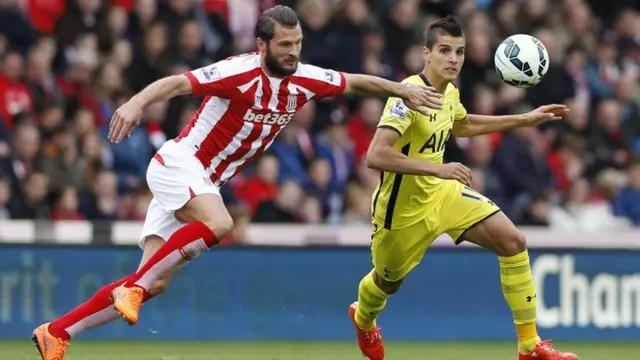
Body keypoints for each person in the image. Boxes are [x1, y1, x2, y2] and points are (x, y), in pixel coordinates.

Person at [30, 5, 444, 360]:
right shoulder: (238, 71)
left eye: (297, 43)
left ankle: (57, 333)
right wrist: (136, 102)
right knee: (219, 224)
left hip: (201, 182)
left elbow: (355, 81)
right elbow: (178, 83)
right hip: (180, 164)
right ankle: (133, 288)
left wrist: (401, 91)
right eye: (284, 45)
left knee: (154, 283)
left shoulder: (305, 79)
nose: (293, 52)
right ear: (262, 45)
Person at [348, 16, 577, 360]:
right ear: (426, 53)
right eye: (444, 51)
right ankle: (363, 317)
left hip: (443, 194)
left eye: (459, 51)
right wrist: (439, 169)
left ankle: (530, 346)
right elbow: (376, 155)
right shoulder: (407, 96)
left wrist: (525, 119)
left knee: (513, 241)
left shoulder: (450, 92)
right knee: (387, 282)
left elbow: (464, 124)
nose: (453, 59)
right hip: (403, 212)